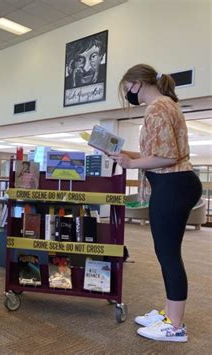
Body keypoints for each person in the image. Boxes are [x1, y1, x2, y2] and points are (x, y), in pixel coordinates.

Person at [112, 64, 202, 342]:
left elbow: (167, 156)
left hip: (172, 184)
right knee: (167, 252)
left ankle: (175, 325)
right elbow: (156, 152)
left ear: (138, 83)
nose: (128, 95)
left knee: (168, 254)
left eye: (127, 89)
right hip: (175, 183)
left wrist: (132, 163)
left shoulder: (157, 108)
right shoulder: (166, 105)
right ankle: (168, 313)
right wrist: (124, 153)